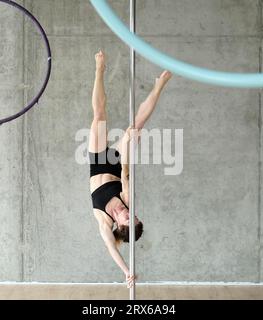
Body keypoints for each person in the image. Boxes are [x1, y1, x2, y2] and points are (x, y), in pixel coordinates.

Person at [89, 50, 172, 288]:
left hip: (96, 164)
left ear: (122, 226)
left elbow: (110, 248)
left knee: (99, 115)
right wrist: (126, 145)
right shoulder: (127, 200)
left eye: (130, 218)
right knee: (135, 128)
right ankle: (159, 86)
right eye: (135, 215)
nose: (131, 212)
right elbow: (125, 173)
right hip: (117, 164)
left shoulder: (104, 221)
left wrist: (126, 272)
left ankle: (99, 70)